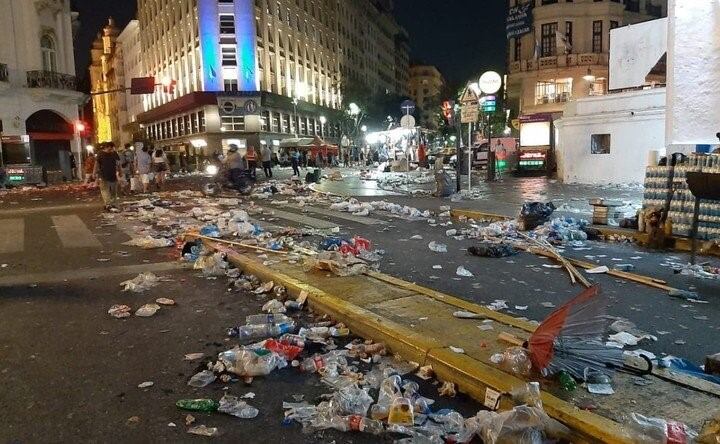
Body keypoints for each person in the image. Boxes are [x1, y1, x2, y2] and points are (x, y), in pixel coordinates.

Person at [93, 142, 121, 210]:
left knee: (114, 191)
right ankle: (108, 204)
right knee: (105, 190)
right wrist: (94, 173)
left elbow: (118, 163)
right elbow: (96, 164)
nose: (111, 150)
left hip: (113, 175)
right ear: (106, 147)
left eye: (112, 148)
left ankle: (113, 203)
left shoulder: (114, 153)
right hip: (103, 175)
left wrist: (120, 171)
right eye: (110, 148)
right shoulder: (100, 154)